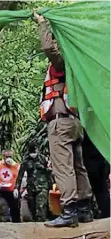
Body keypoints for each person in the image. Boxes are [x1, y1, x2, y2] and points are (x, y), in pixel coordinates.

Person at [34, 11, 93, 228]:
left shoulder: (63, 63)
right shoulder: (80, 65)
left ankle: (69, 211)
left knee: (63, 166)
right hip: (75, 122)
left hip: (61, 122)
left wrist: (42, 24)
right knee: (78, 166)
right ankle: (84, 209)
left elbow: (49, 48)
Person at [14, 143, 51, 222]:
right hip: (31, 186)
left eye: (34, 152)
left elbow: (48, 172)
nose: (33, 154)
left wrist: (51, 185)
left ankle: (41, 221)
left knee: (41, 206)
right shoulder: (26, 161)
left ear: (37, 151)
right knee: (32, 206)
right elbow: (20, 176)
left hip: (42, 186)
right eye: (31, 152)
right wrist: (16, 188)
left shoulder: (43, 159)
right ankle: (35, 223)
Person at [82, 131, 110, 219]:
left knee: (87, 192)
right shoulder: (99, 131)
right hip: (101, 161)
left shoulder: (85, 129)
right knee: (102, 191)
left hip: (90, 162)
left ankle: (87, 214)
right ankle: (106, 214)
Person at [0, 150, 20, 223]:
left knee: (15, 208)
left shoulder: (16, 166)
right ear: (3, 157)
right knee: (3, 206)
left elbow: (19, 178)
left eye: (10, 157)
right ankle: (5, 222)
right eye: (7, 157)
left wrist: (16, 188)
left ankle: (16, 223)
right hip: (1, 190)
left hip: (12, 190)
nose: (8, 158)